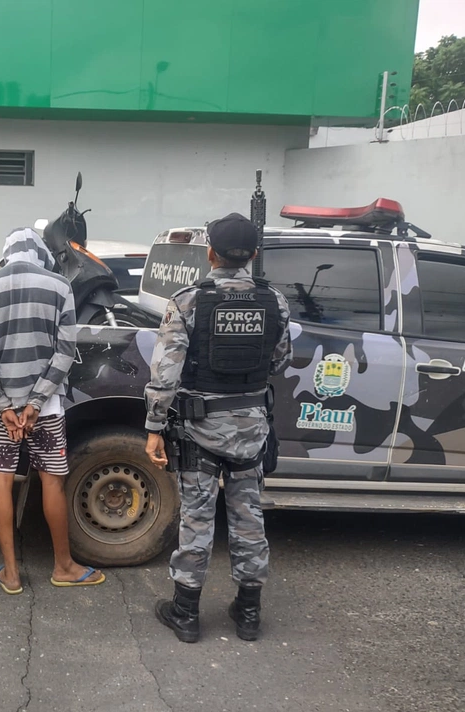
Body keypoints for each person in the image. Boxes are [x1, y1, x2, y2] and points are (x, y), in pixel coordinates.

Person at [144, 212, 292, 643]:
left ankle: (186, 614)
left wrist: (154, 426)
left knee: (197, 519)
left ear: (210, 252)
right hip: (251, 429)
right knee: (249, 517)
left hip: (200, 429)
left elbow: (167, 372)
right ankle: (248, 613)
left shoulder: (189, 300)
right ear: (253, 255)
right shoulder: (274, 301)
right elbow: (279, 361)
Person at [0, 227, 105, 594]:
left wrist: (4, 406)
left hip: (0, 409)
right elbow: (65, 351)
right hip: (45, 408)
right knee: (52, 481)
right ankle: (63, 566)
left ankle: (12, 574)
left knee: (1, 480)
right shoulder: (59, 286)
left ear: (7, 252)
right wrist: (35, 403)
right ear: (40, 254)